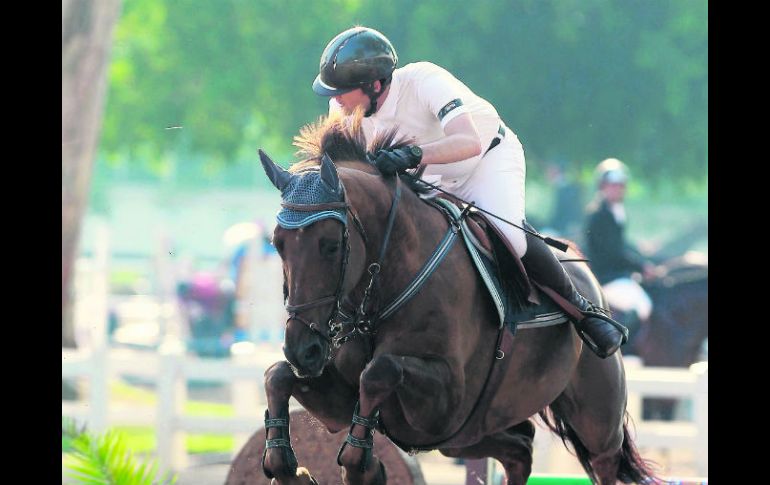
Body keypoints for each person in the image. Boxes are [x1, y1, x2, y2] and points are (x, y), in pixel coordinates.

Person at [311, 26, 627, 358]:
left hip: (487, 160)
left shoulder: (423, 81)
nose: (335, 100)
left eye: (342, 91)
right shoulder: (345, 111)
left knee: (510, 235)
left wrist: (413, 154)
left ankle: (583, 311)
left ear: (375, 85)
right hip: (431, 176)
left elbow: (468, 141)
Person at [584, 158, 655, 344]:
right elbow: (612, 253)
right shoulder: (600, 215)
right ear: (603, 187)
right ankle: (619, 348)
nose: (617, 189)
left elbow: (620, 245)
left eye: (620, 185)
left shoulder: (614, 212)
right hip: (605, 277)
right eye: (613, 185)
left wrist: (641, 255)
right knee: (642, 305)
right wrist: (641, 266)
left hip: (616, 274)